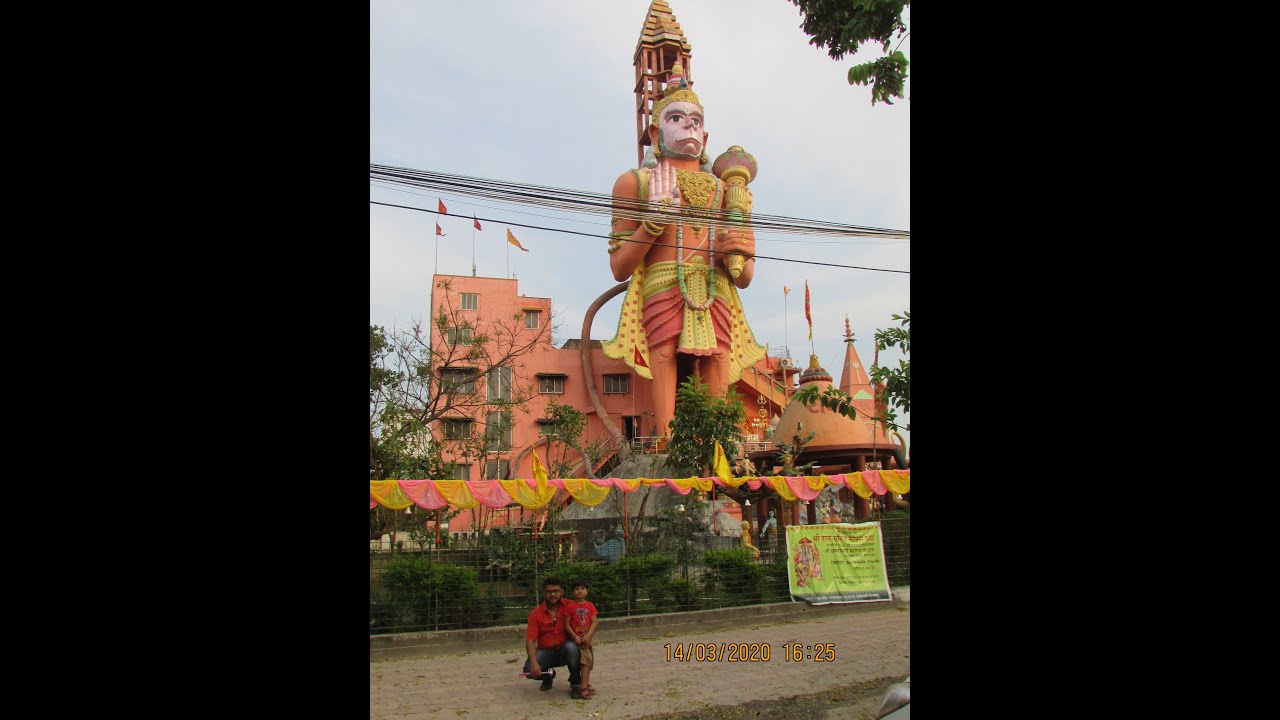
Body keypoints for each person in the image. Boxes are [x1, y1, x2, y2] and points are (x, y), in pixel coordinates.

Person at [602, 63, 766, 436]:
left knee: (717, 360)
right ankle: (665, 441)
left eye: (695, 121)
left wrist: (737, 248)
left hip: (715, 287)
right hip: (662, 283)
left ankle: (716, 441)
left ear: (705, 137)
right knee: (664, 354)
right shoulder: (635, 183)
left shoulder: (727, 191)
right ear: (657, 131)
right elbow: (619, 267)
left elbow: (744, 276)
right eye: (677, 118)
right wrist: (653, 223)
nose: (688, 126)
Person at [523, 577, 583, 698]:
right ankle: (548, 675)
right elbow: (530, 640)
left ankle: (576, 685)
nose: (553, 594)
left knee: (571, 647)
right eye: (549, 592)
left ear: (562, 592)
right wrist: (534, 664)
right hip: (546, 652)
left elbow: (585, 621)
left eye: (556, 591)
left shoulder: (571, 606)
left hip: (566, 650)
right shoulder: (536, 613)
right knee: (529, 670)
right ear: (544, 593)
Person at [565, 579, 599, 700]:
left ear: (587, 591)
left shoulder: (590, 606)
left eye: (582, 588)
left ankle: (586, 683)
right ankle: (583, 687)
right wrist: (574, 637)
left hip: (587, 640)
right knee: (585, 663)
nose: (580, 591)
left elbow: (595, 621)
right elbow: (567, 624)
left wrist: (589, 635)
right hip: (577, 640)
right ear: (573, 592)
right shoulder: (570, 606)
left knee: (588, 663)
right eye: (577, 589)